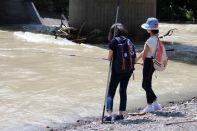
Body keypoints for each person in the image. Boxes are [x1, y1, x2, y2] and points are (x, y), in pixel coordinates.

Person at [103, 23, 136, 122]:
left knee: (110, 93)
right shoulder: (129, 40)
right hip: (128, 70)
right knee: (123, 91)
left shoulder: (114, 41)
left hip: (117, 71)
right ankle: (121, 114)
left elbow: (109, 58)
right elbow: (133, 56)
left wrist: (106, 58)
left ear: (113, 32)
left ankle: (109, 115)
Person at [136, 17, 162, 113]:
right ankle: (155, 104)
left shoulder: (149, 40)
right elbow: (144, 52)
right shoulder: (156, 39)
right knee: (148, 83)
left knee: (144, 85)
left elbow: (144, 54)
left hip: (148, 62)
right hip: (153, 62)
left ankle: (151, 104)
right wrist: (136, 60)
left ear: (150, 29)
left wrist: (142, 61)